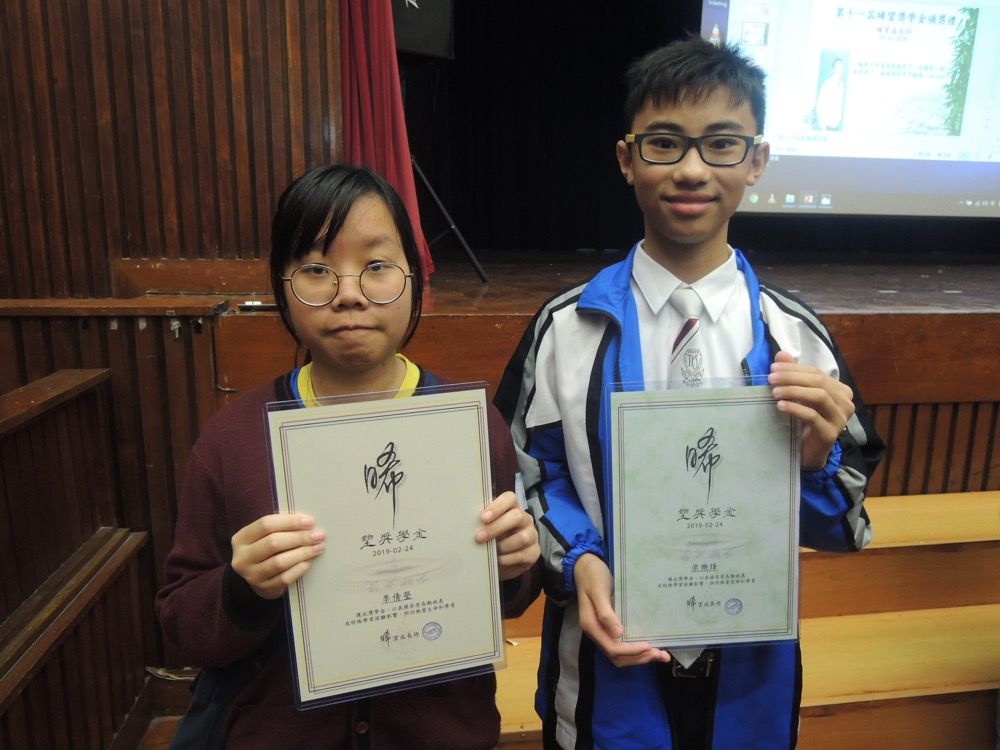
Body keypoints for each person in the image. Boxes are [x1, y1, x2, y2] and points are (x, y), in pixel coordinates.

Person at [495, 37, 884, 749]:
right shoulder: (564, 329)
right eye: (665, 144)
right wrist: (580, 559)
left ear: (757, 162)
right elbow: (528, 474)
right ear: (627, 159)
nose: (693, 169)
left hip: (751, 671)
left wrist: (814, 457)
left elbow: (845, 521)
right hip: (605, 670)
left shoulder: (794, 336)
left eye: (722, 144)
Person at [156, 164, 540, 749]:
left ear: (414, 279)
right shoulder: (232, 440)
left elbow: (509, 595)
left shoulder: (470, 428)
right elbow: (181, 623)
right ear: (283, 285)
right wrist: (241, 588)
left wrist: (514, 569)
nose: (350, 293)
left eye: (377, 266)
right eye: (316, 270)